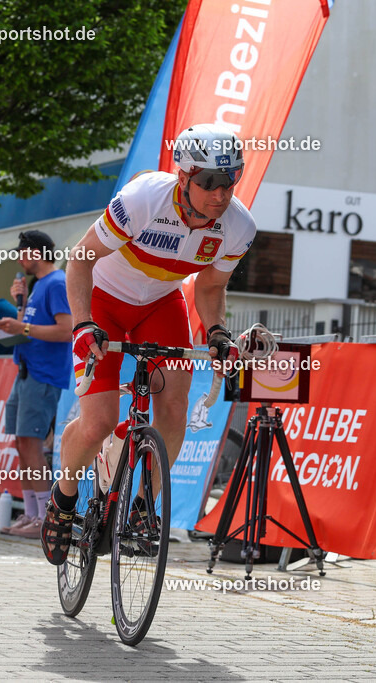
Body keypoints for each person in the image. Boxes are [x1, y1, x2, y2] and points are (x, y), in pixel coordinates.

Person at [41, 123, 254, 565]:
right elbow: (79, 261)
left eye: (230, 179)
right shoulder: (144, 200)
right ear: (184, 177)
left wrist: (216, 333)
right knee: (100, 421)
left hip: (160, 304)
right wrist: (82, 324)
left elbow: (210, 289)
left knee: (173, 407)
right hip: (102, 299)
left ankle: (141, 508)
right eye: (210, 182)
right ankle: (63, 499)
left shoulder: (237, 226)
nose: (221, 193)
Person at [0, 230, 73, 538]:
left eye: (23, 252)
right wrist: (20, 305)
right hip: (27, 371)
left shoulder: (56, 283)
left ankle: (45, 517)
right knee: (22, 443)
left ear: (37, 254)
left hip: (42, 374)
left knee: (32, 445)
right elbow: (28, 328)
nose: (19, 258)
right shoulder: (40, 286)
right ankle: (31, 513)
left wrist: (21, 326)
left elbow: (66, 330)